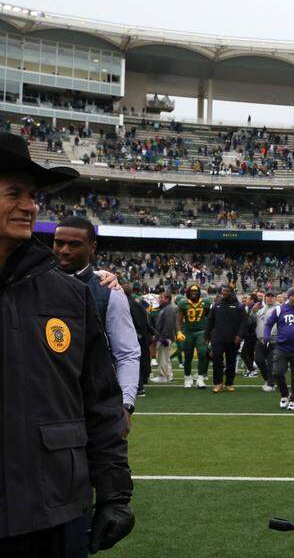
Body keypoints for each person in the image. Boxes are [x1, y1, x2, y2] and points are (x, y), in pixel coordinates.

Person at [0, 134, 135, 556]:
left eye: (33, 194)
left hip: (56, 506)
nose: (29, 205)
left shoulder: (69, 296)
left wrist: (114, 492)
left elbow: (101, 400)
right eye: (14, 193)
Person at [51, 216, 142, 423]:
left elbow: (126, 353)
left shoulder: (109, 292)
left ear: (92, 247)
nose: (64, 250)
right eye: (59, 243)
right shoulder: (34, 283)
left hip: (92, 408)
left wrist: (126, 406)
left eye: (74, 244)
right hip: (44, 405)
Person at [265, 287, 294, 411]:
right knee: (277, 372)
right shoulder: (279, 309)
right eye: (292, 296)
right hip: (282, 347)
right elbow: (268, 324)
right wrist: (266, 336)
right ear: (288, 297)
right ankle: (284, 394)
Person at [204, 283, 247, 393]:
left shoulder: (239, 306)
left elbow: (244, 323)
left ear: (232, 292)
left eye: (226, 291)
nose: (224, 293)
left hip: (233, 339)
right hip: (217, 338)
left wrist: (239, 336)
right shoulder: (216, 305)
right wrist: (207, 335)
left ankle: (229, 382)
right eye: (223, 291)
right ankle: (218, 383)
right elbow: (210, 321)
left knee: (231, 361)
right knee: (217, 360)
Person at [176, 284, 211, 388]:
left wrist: (210, 332)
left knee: (203, 354)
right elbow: (179, 319)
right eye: (192, 291)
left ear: (199, 292)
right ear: (188, 292)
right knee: (188, 356)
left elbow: (210, 318)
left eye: (196, 291)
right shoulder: (183, 303)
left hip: (201, 331)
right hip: (188, 332)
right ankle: (187, 377)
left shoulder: (206, 302)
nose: (194, 293)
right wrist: (179, 331)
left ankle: (200, 378)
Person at [254, 290, 279, 392]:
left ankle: (271, 384)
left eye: (271, 296)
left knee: (271, 362)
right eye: (267, 296)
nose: (269, 298)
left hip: (273, 340)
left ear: (275, 298)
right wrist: (253, 312)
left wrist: (271, 335)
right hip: (260, 340)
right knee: (258, 360)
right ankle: (268, 380)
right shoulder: (261, 310)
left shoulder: (278, 309)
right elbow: (255, 323)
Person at [151, 291, 177, 383]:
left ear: (167, 299)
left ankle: (163, 376)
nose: (159, 299)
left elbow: (169, 324)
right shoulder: (166, 308)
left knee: (163, 357)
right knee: (165, 357)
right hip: (164, 336)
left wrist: (164, 337)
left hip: (165, 337)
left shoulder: (169, 309)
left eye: (161, 298)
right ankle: (169, 376)